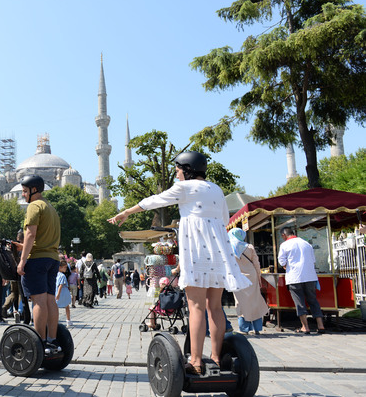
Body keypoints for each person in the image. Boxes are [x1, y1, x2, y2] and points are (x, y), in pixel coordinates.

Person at [108, 151, 250, 375]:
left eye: (178, 171)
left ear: (187, 169)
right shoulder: (216, 189)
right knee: (215, 307)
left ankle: (195, 361)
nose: (177, 175)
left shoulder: (184, 188)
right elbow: (224, 219)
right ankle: (215, 357)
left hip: (197, 250)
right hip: (218, 249)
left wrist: (126, 212)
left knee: (195, 307)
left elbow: (153, 201)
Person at [17, 175, 62, 355]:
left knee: (39, 301)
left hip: (37, 260)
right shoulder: (50, 208)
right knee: (51, 300)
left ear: (34, 190)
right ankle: (52, 341)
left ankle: (40, 342)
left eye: (25, 191)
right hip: (52, 259)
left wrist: (22, 260)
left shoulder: (34, 206)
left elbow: (30, 235)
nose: (22, 194)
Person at [278, 227, 325, 334]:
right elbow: (313, 260)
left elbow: (282, 261)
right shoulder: (306, 243)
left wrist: (286, 265)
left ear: (283, 235)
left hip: (295, 277)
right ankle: (320, 325)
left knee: (299, 302)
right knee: (313, 301)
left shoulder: (284, 245)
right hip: (310, 277)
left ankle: (305, 327)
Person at [228, 228, 269, 335]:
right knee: (254, 301)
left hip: (237, 277)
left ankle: (244, 328)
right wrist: (259, 278)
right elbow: (256, 264)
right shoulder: (249, 247)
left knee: (240, 302)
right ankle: (257, 328)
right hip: (252, 276)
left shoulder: (229, 248)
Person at [2, 230, 25, 319]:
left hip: (13, 272)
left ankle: (5, 306)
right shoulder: (23, 248)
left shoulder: (13, 247)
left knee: (13, 293)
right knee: (20, 293)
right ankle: (20, 312)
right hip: (21, 273)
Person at [56, 260, 73, 327]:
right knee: (67, 306)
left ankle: (56, 320)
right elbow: (60, 285)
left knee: (56, 307)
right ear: (60, 267)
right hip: (63, 292)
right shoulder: (62, 275)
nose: (66, 269)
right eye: (65, 267)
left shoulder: (55, 274)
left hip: (57, 292)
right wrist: (58, 294)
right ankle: (68, 320)